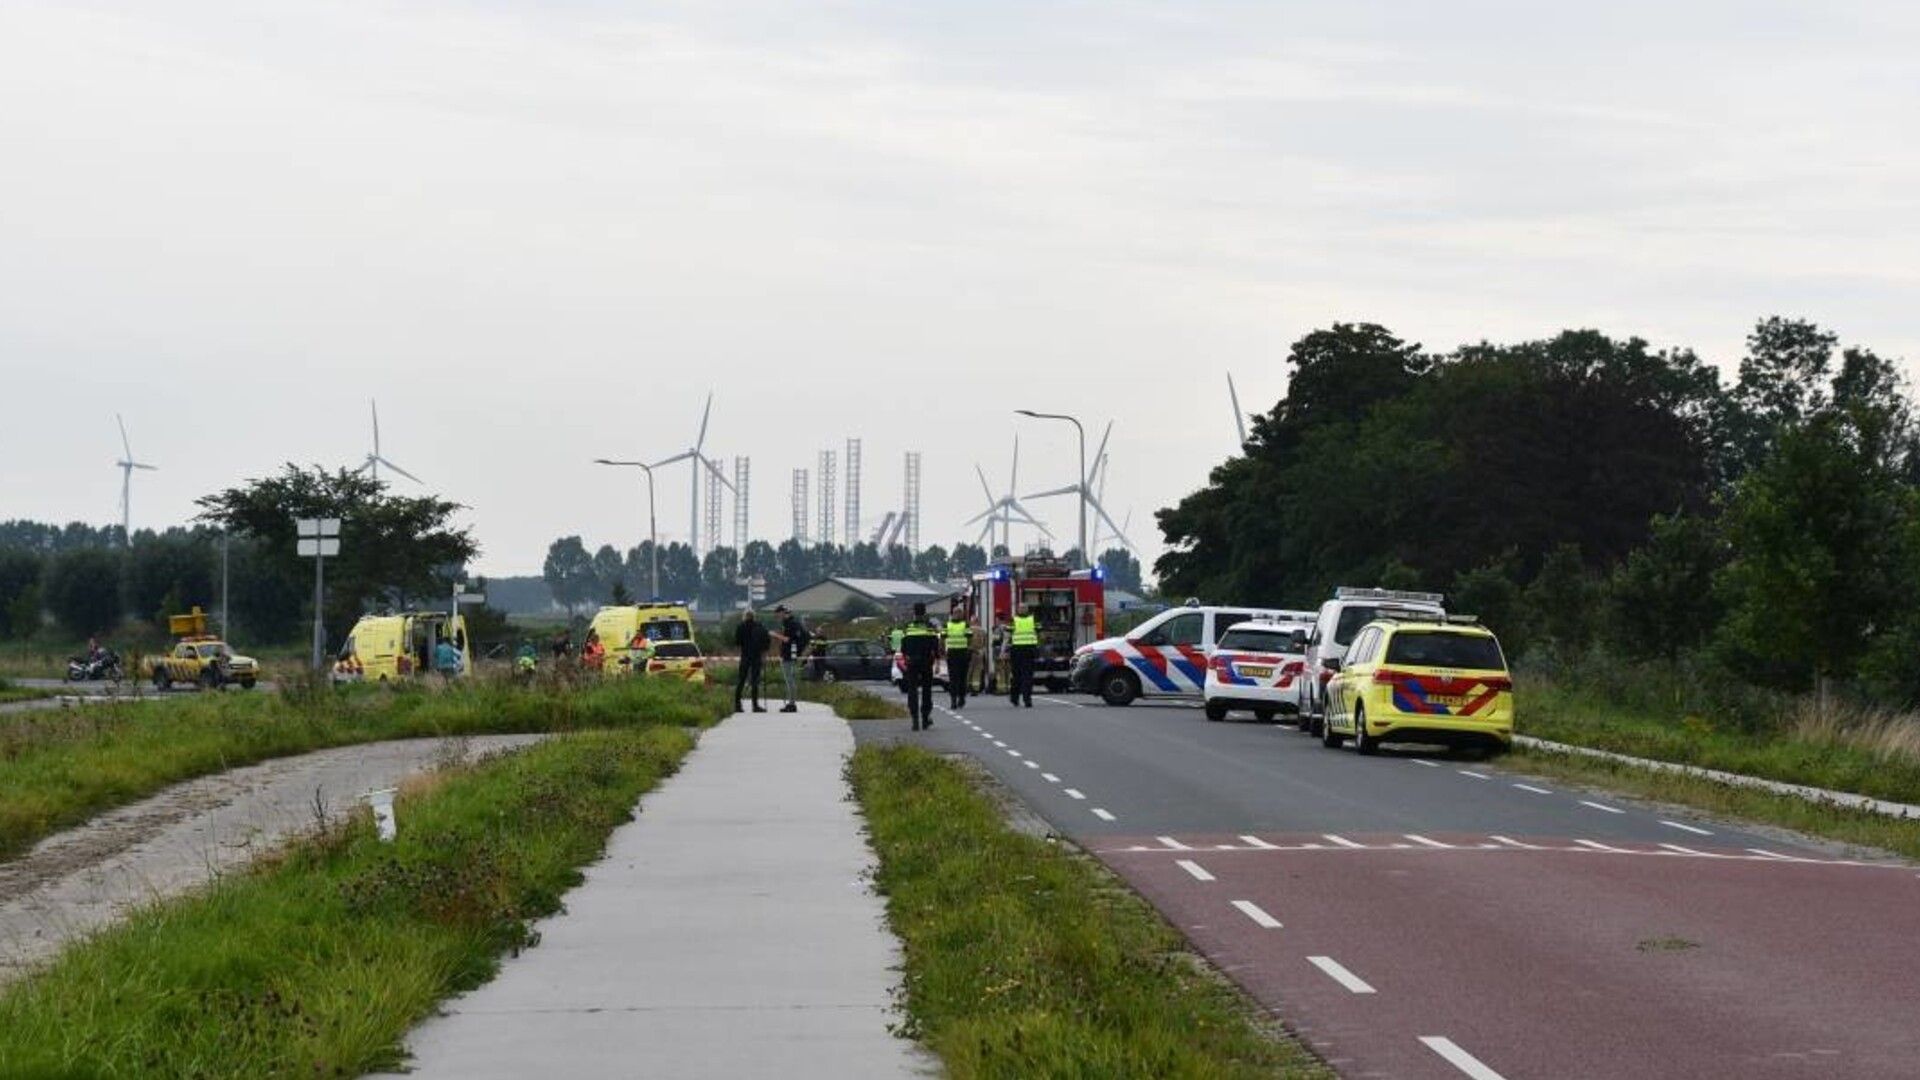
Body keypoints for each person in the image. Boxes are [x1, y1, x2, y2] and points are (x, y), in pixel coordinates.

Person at [899, 602, 939, 730]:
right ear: (924, 612)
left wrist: (908, 657)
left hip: (912, 662)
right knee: (927, 690)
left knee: (912, 690)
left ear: (914, 612)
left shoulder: (908, 628)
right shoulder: (929, 627)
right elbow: (935, 646)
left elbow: (903, 647)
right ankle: (925, 718)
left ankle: (914, 719)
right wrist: (936, 660)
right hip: (926, 662)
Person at [733, 609, 771, 713]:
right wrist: (764, 653)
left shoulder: (740, 626)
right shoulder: (760, 626)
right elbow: (767, 641)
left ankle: (737, 705)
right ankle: (755, 705)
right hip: (756, 656)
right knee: (755, 681)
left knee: (741, 680)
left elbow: (737, 642)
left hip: (745, 656)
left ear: (745, 616)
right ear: (754, 616)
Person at [776, 605, 811, 713]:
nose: (777, 616)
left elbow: (788, 639)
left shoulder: (790, 624)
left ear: (784, 613)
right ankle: (790, 703)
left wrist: (775, 635)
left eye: (778, 613)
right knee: (790, 679)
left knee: (789, 679)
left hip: (789, 654)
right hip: (792, 653)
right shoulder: (793, 623)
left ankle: (791, 704)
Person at [1008, 603, 1039, 708]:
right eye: (1021, 608)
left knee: (1027, 677)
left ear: (1027, 609)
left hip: (1028, 650)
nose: (1022, 610)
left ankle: (1027, 700)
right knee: (1017, 676)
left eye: (1024, 608)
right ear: (1018, 609)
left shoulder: (1032, 619)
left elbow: (1039, 629)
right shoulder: (1014, 620)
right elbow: (1008, 633)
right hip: (1017, 650)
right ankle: (1015, 698)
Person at [943, 606, 973, 710]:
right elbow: (942, 638)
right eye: (956, 613)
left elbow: (970, 638)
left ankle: (961, 697)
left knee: (962, 678)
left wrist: (969, 650)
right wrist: (943, 651)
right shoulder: (947, 625)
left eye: (960, 613)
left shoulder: (965, 624)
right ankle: (953, 700)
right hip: (952, 653)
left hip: (963, 653)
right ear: (953, 614)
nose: (958, 614)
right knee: (953, 678)